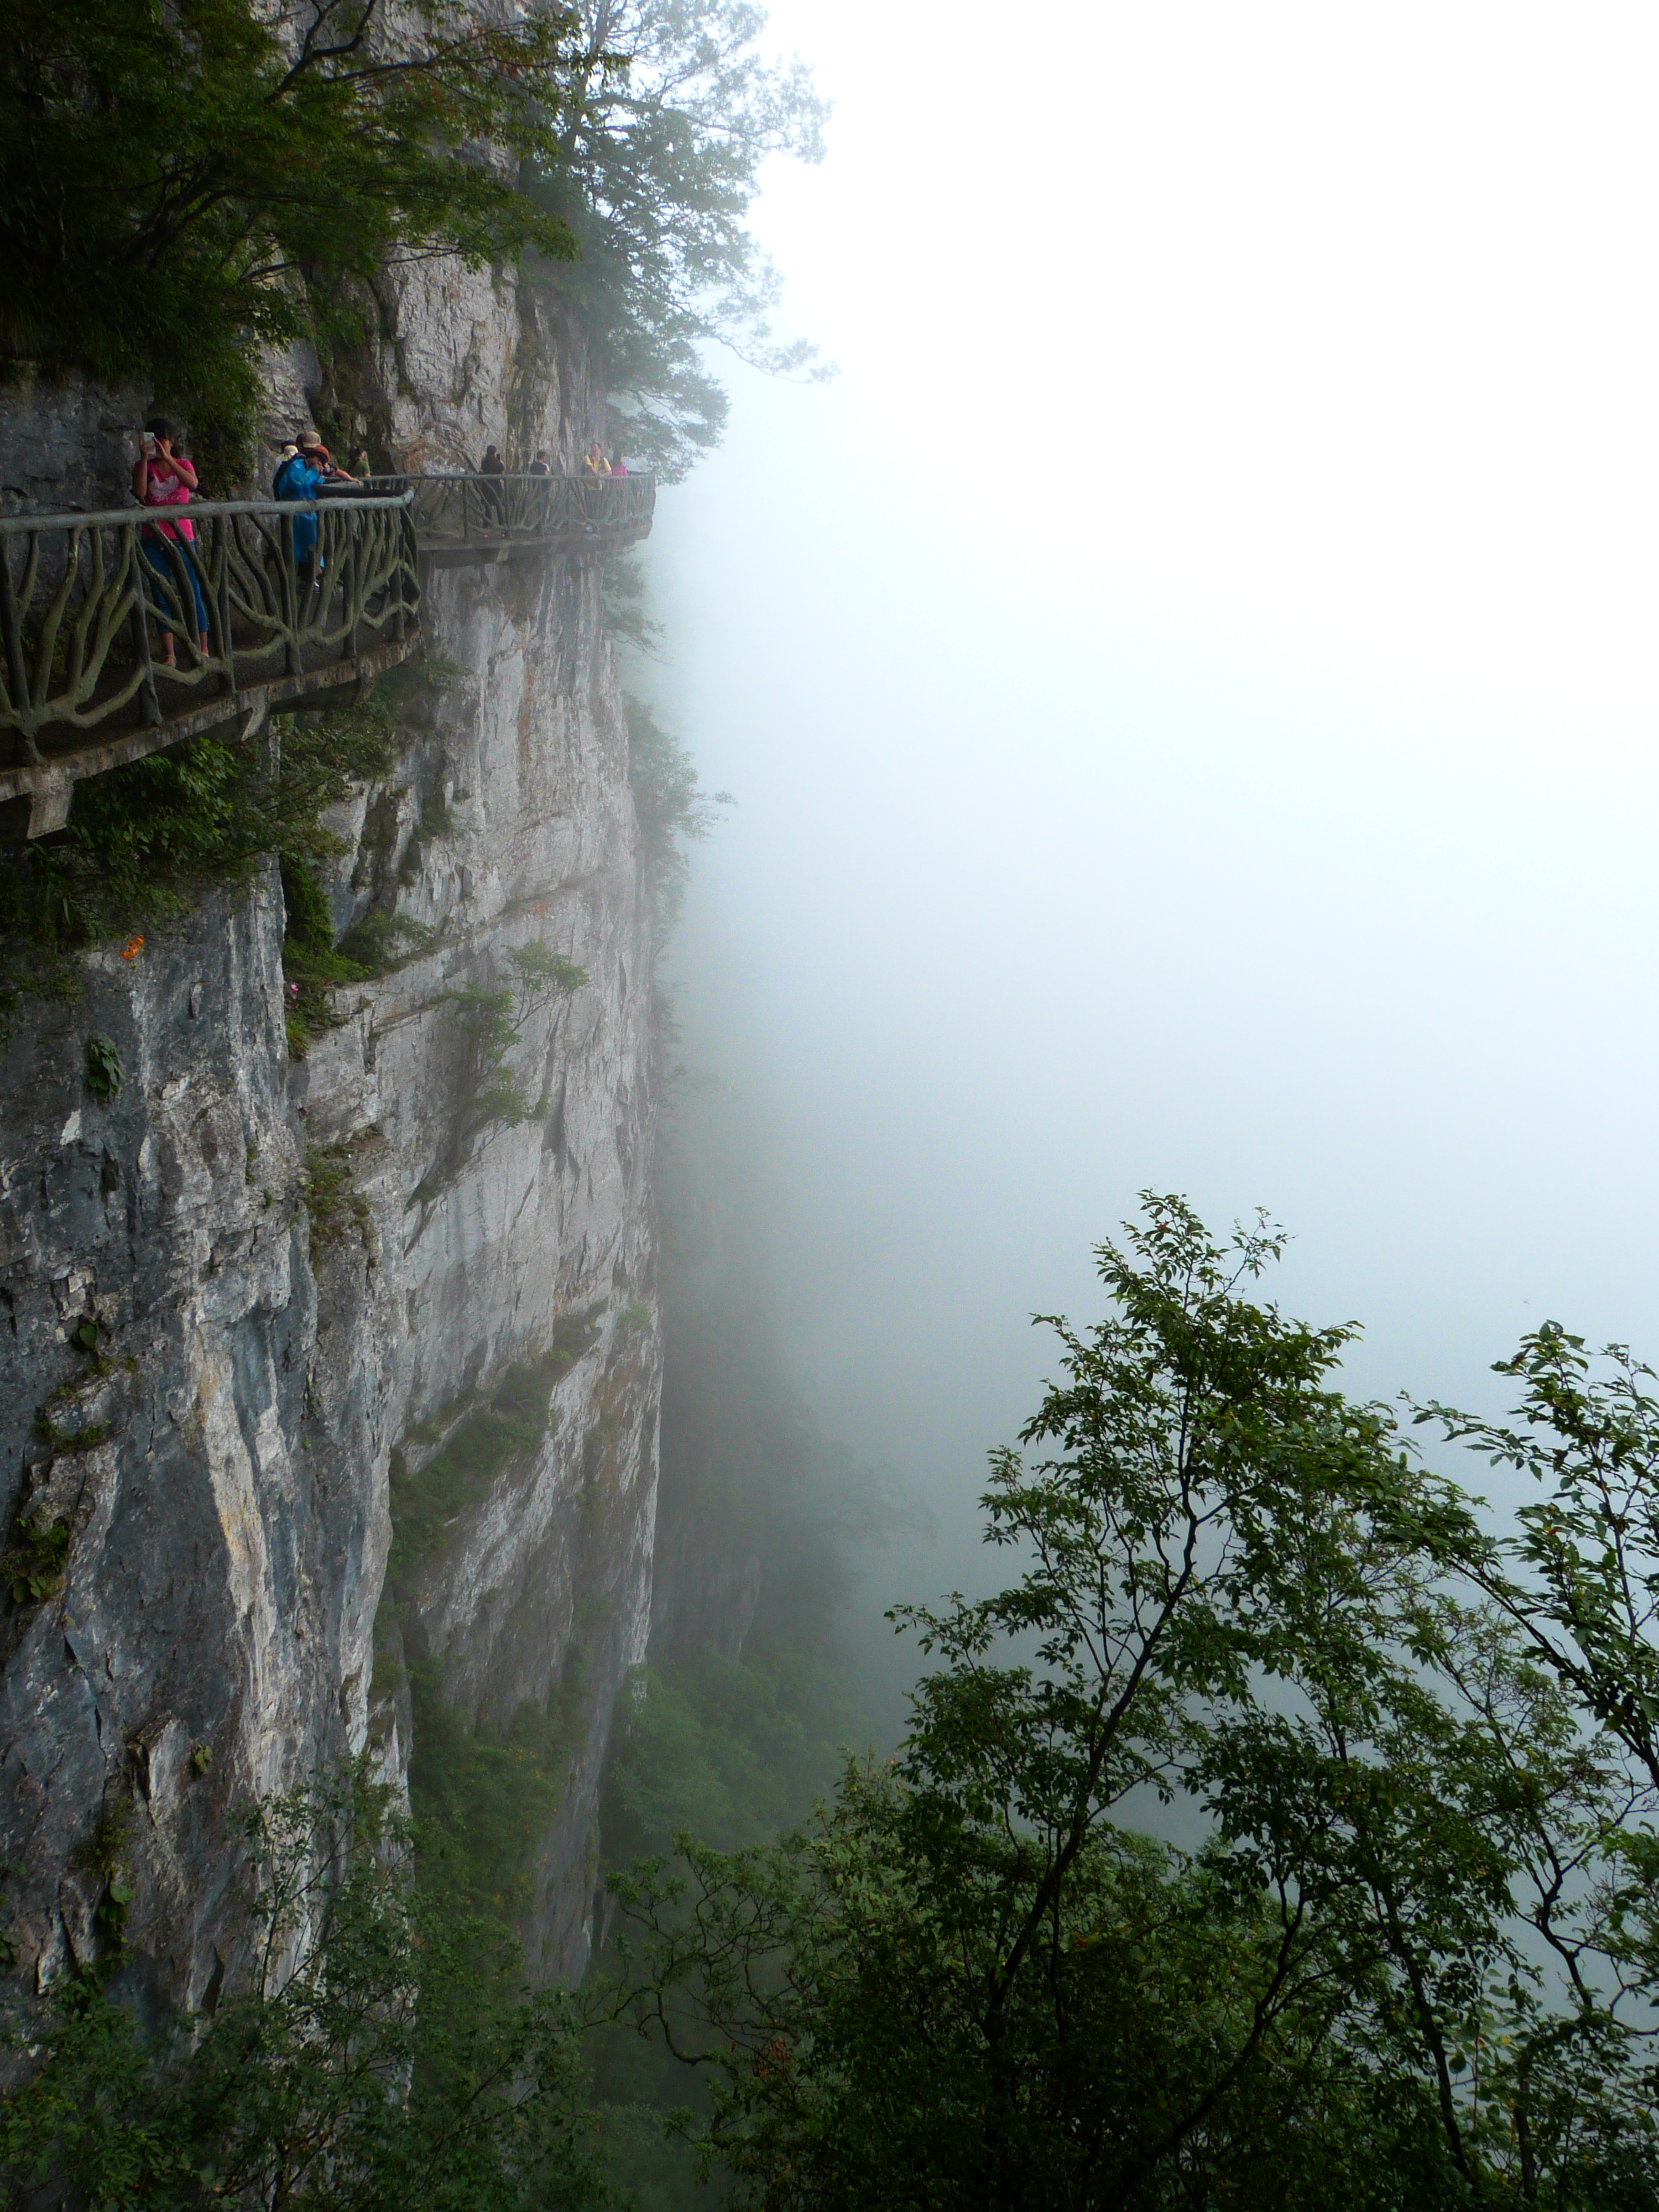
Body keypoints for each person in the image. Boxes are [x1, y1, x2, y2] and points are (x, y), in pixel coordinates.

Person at [132, 416, 208, 669]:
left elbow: (193, 484)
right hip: (152, 537)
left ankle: (203, 649)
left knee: (192, 591)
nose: (158, 444)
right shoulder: (143, 466)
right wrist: (145, 458)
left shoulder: (183, 464)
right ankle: (170, 654)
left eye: (162, 440)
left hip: (182, 538)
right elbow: (141, 493)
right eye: (153, 440)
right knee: (161, 594)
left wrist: (168, 459)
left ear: (172, 441)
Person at [273, 430, 352, 581]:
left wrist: (322, 475)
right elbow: (299, 483)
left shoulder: (307, 468)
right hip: (294, 513)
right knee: (299, 550)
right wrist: (314, 471)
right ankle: (304, 579)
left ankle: (312, 577)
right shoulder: (296, 466)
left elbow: (315, 483)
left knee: (313, 547)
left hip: (307, 513)